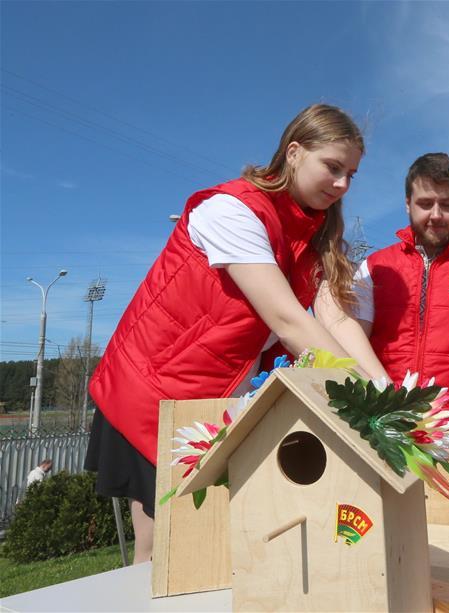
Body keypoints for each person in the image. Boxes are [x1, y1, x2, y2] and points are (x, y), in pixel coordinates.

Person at [85, 103, 370, 564]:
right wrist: (368, 402)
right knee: (166, 551)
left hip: (211, 401)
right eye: (332, 167)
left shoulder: (310, 238)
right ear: (294, 152)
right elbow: (288, 320)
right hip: (156, 393)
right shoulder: (232, 210)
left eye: (351, 175)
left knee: (216, 548)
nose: (342, 185)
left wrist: (384, 392)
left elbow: (334, 321)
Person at [316, 153, 449, 426]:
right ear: (408, 204)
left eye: (446, 204)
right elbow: (354, 342)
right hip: (384, 420)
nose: (436, 215)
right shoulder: (374, 267)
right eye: (425, 204)